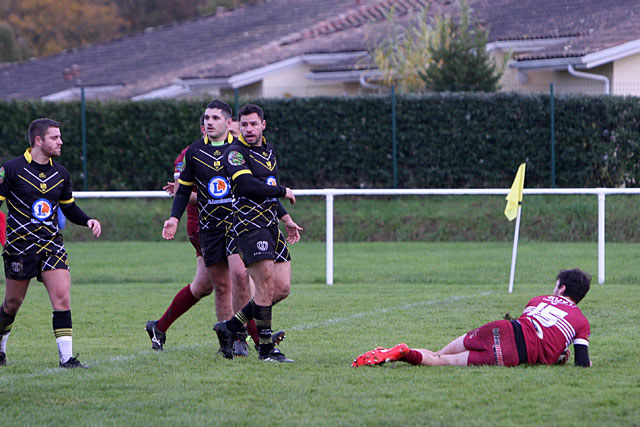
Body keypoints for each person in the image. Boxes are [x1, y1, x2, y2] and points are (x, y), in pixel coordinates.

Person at [0, 118, 102, 368]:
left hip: (51, 245)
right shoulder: (11, 169)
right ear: (38, 140)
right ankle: (0, 349)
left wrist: (88, 220)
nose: (61, 142)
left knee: (62, 299)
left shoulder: (61, 173)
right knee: (12, 303)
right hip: (20, 247)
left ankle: (67, 359)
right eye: (55, 138)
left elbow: (69, 207)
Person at [353, 268, 592, 368]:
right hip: (512, 352)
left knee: (438, 354)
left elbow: (532, 329)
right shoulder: (580, 321)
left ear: (561, 289)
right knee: (442, 364)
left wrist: (554, 352)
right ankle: (403, 353)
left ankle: (401, 351)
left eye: (555, 286)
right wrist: (559, 356)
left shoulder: (538, 299)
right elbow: (582, 363)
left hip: (501, 328)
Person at [215, 103, 297, 363]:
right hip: (250, 225)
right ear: (237, 126)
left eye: (253, 124)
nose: (248, 129)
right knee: (264, 286)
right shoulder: (234, 153)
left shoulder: (269, 150)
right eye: (244, 124)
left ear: (263, 125)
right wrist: (282, 190)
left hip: (271, 224)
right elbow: (247, 184)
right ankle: (266, 350)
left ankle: (230, 327)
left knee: (281, 288)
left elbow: (268, 186)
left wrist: (286, 217)